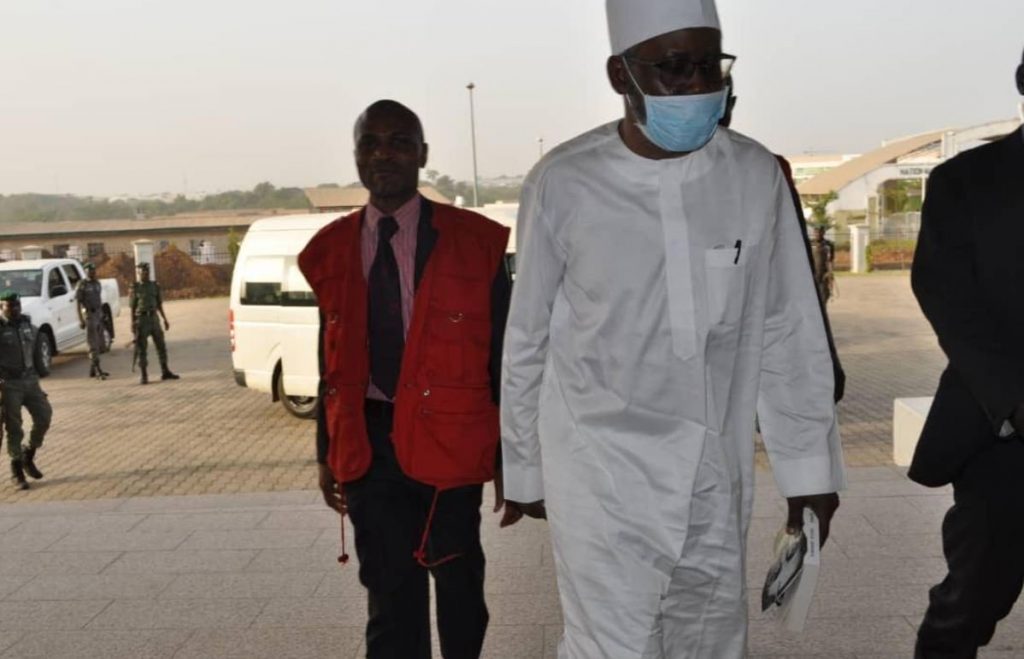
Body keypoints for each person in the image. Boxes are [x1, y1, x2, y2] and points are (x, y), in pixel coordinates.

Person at [500, 1, 845, 656]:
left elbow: (786, 328)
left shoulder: (753, 176)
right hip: (598, 471)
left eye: (710, 66)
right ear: (620, 74)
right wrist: (524, 468)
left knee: (710, 640)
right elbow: (528, 337)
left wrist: (808, 472)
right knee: (610, 646)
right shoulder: (563, 181)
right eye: (675, 67)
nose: (697, 86)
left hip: (713, 470)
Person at [298, 100, 511, 658]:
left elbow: (504, 358)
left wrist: (511, 459)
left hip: (452, 438)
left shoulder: (475, 242)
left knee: (459, 585)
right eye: (370, 143)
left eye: (398, 142)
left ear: (422, 154)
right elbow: (330, 359)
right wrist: (326, 450)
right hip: (369, 445)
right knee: (389, 596)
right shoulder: (331, 250)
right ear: (356, 156)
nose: (383, 154)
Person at [909, 49, 1024, 659]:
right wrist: (1015, 400)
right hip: (1004, 437)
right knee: (970, 603)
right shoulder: (966, 181)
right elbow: (949, 299)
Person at [720, 74, 845, 401]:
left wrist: (825, 355)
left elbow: (797, 269)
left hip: (754, 342)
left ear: (731, 105)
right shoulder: (636, 175)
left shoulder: (765, 168)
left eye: (716, 99)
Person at [0, 291, 51, 490]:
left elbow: (36, 350)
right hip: (9, 384)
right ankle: (16, 470)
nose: (14, 309)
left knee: (44, 416)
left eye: (17, 305)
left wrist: (40, 374)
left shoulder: (27, 324)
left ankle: (28, 454)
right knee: (14, 427)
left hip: (30, 381)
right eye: (9, 306)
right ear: (2, 307)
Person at [130, 262, 178, 385]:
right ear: (139, 273)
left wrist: (165, 319)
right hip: (142, 320)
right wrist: (132, 323)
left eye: (147, 272)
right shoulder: (135, 287)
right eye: (143, 272)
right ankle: (144, 375)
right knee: (142, 349)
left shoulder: (154, 286)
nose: (146, 274)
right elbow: (132, 307)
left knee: (161, 346)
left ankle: (165, 371)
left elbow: (159, 304)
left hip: (154, 319)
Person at [75, 262, 109, 380]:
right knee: (92, 344)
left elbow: (99, 300)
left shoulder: (97, 284)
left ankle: (92, 369)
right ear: (85, 272)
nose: (92, 273)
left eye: (93, 271)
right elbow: (78, 303)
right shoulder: (82, 285)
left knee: (99, 343)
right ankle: (98, 369)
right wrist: (81, 319)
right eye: (90, 272)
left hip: (98, 314)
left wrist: (102, 315)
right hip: (89, 315)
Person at [810, 224, 836, 305]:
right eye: (816, 232)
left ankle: (823, 310)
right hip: (812, 275)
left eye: (820, 232)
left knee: (824, 297)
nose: (818, 234)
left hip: (824, 275)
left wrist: (830, 273)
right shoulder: (810, 244)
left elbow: (831, 260)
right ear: (813, 232)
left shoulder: (829, 245)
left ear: (823, 232)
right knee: (812, 297)